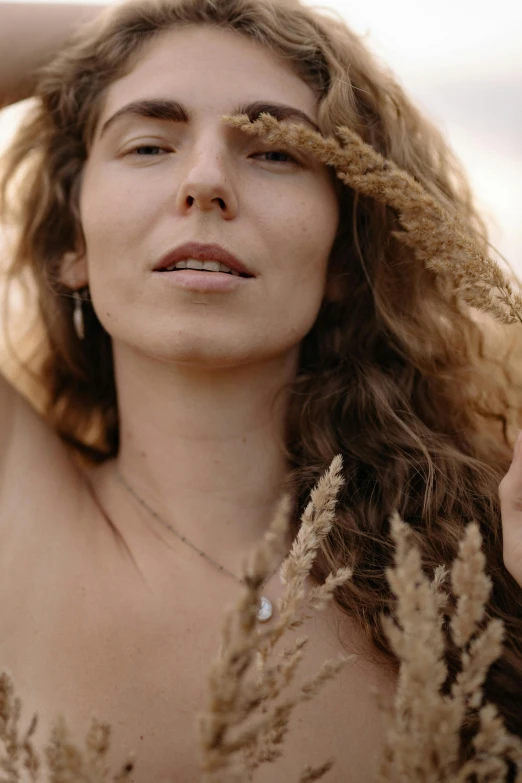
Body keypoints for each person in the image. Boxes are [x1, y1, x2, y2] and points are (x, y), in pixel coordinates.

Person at [0, 0, 520, 780]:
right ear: (72, 243)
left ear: (346, 255)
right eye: (148, 143)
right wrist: (137, 19)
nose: (205, 180)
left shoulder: (480, 569)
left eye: (275, 152)